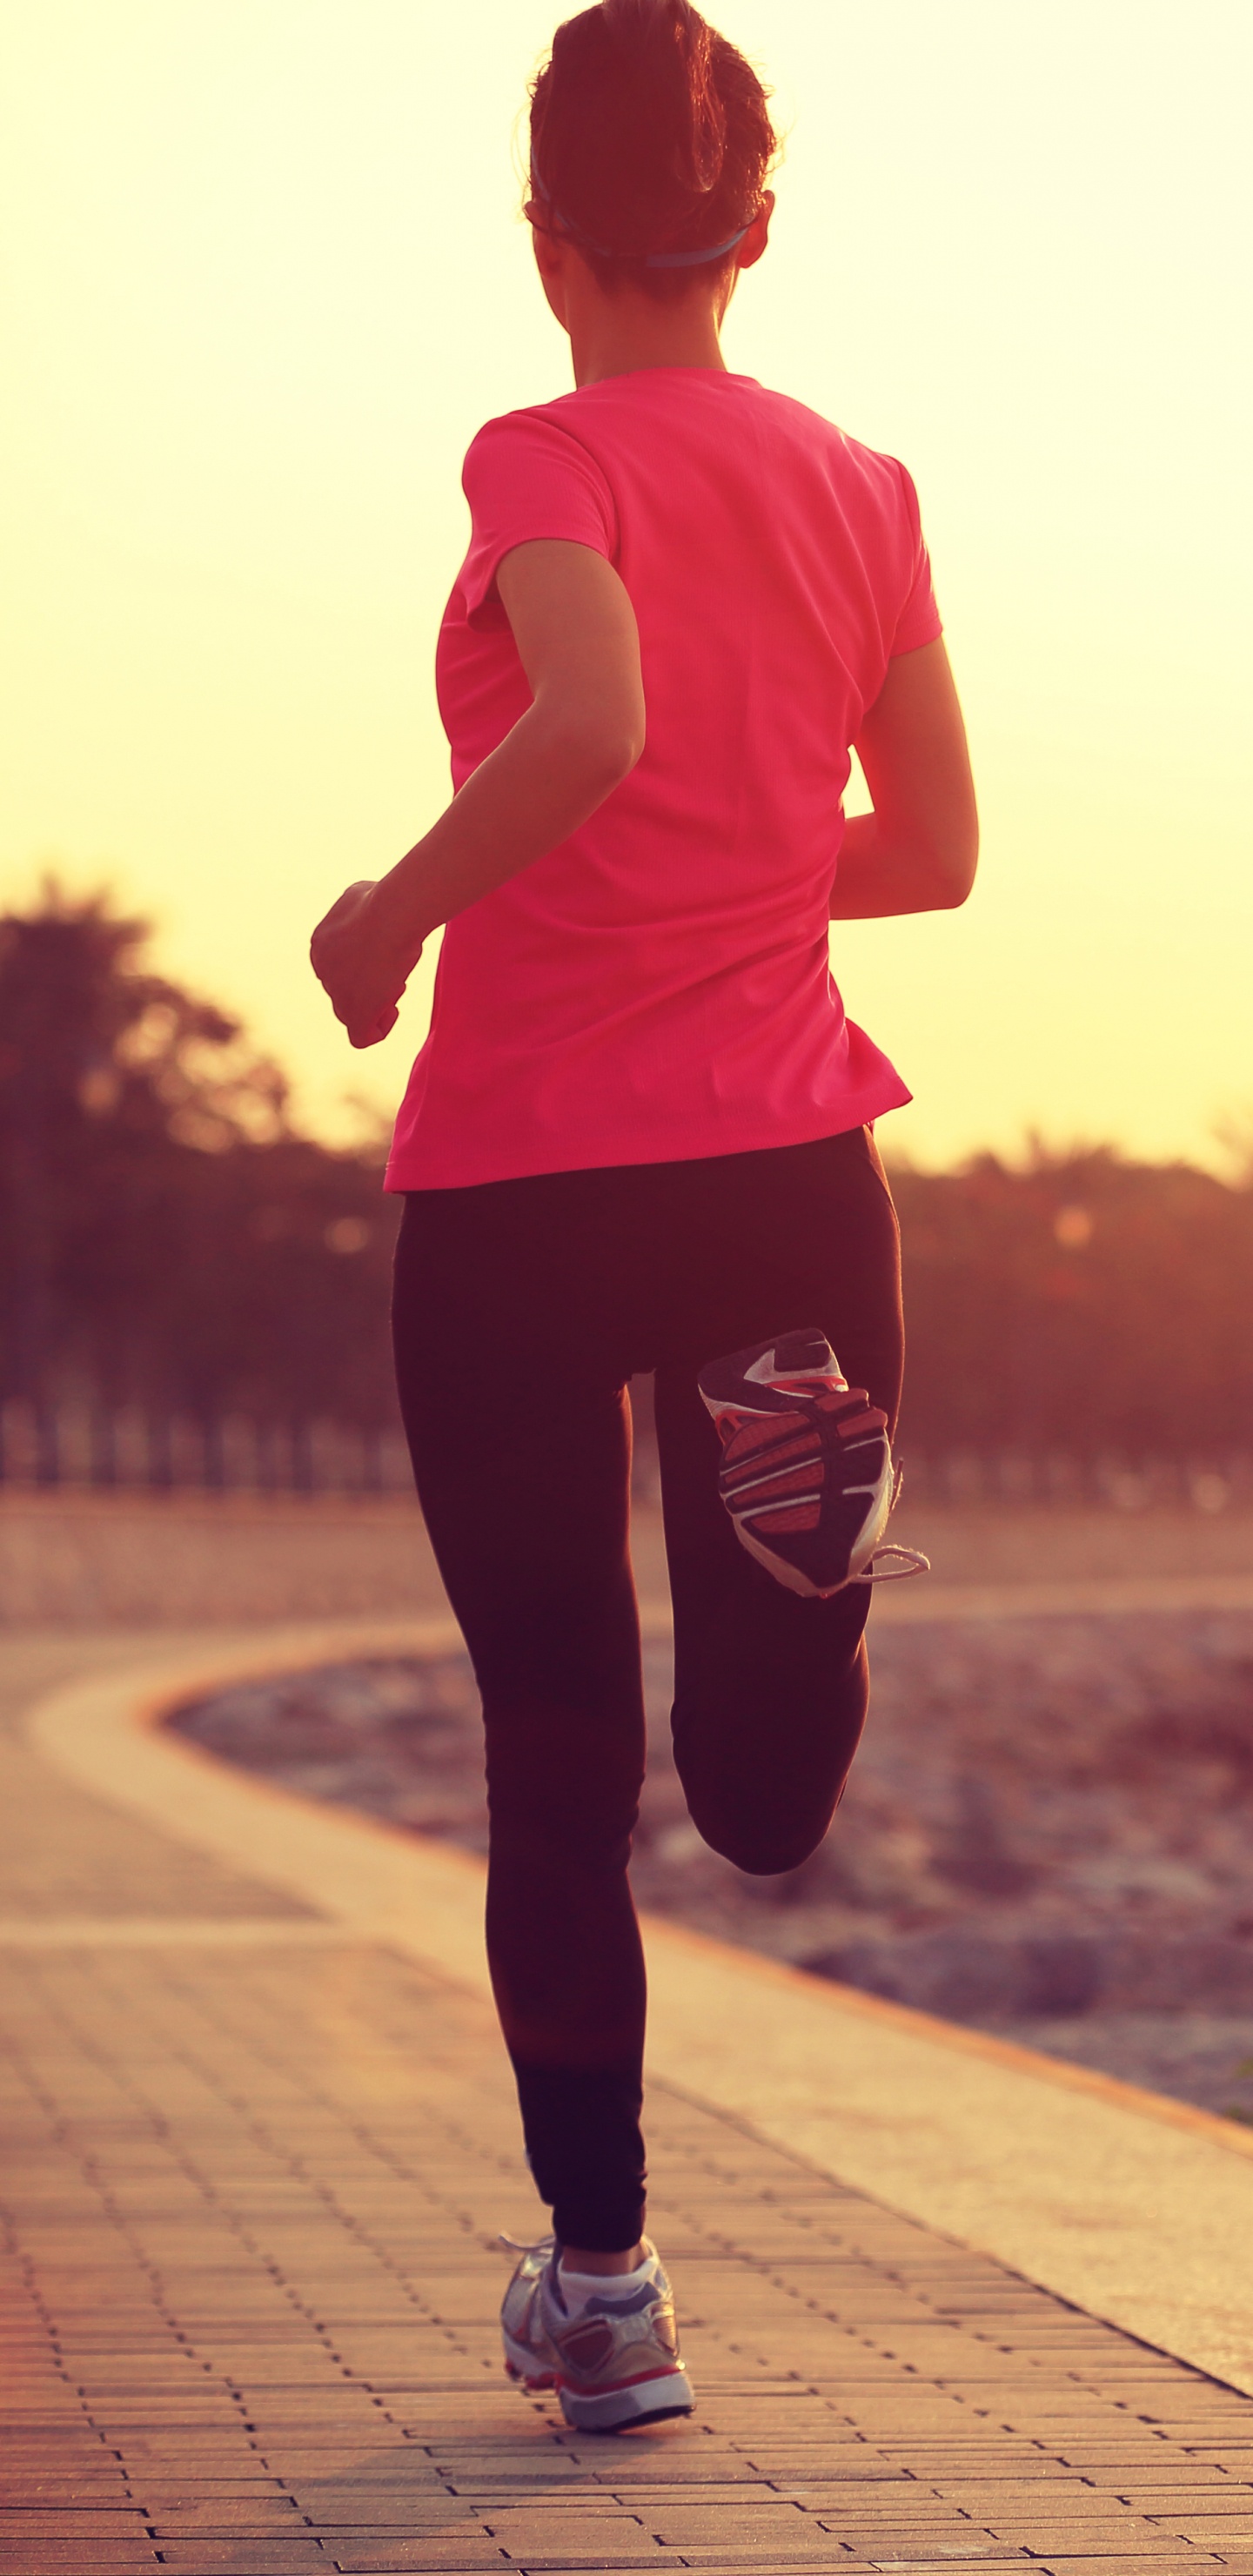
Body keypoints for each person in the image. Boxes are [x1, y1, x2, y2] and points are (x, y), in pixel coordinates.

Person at [311, 0, 977, 2435]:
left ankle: (606, 2289)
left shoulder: (543, 447)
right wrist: (736, 871)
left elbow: (579, 721)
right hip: (785, 1176)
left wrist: (393, 908)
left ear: (544, 236)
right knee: (759, 1795)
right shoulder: (860, 481)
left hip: (514, 1184)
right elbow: (938, 853)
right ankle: (799, 1639)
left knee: (552, 1760)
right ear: (761, 229)